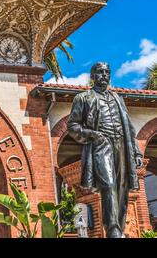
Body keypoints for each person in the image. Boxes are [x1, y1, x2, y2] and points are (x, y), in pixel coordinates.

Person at [67, 62, 143, 238]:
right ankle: (112, 229)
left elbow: (129, 128)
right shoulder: (83, 98)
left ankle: (120, 228)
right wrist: (93, 134)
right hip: (101, 146)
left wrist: (137, 152)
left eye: (107, 72)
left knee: (122, 187)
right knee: (108, 185)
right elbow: (72, 126)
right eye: (100, 72)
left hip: (122, 146)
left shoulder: (118, 98)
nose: (104, 75)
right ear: (93, 75)